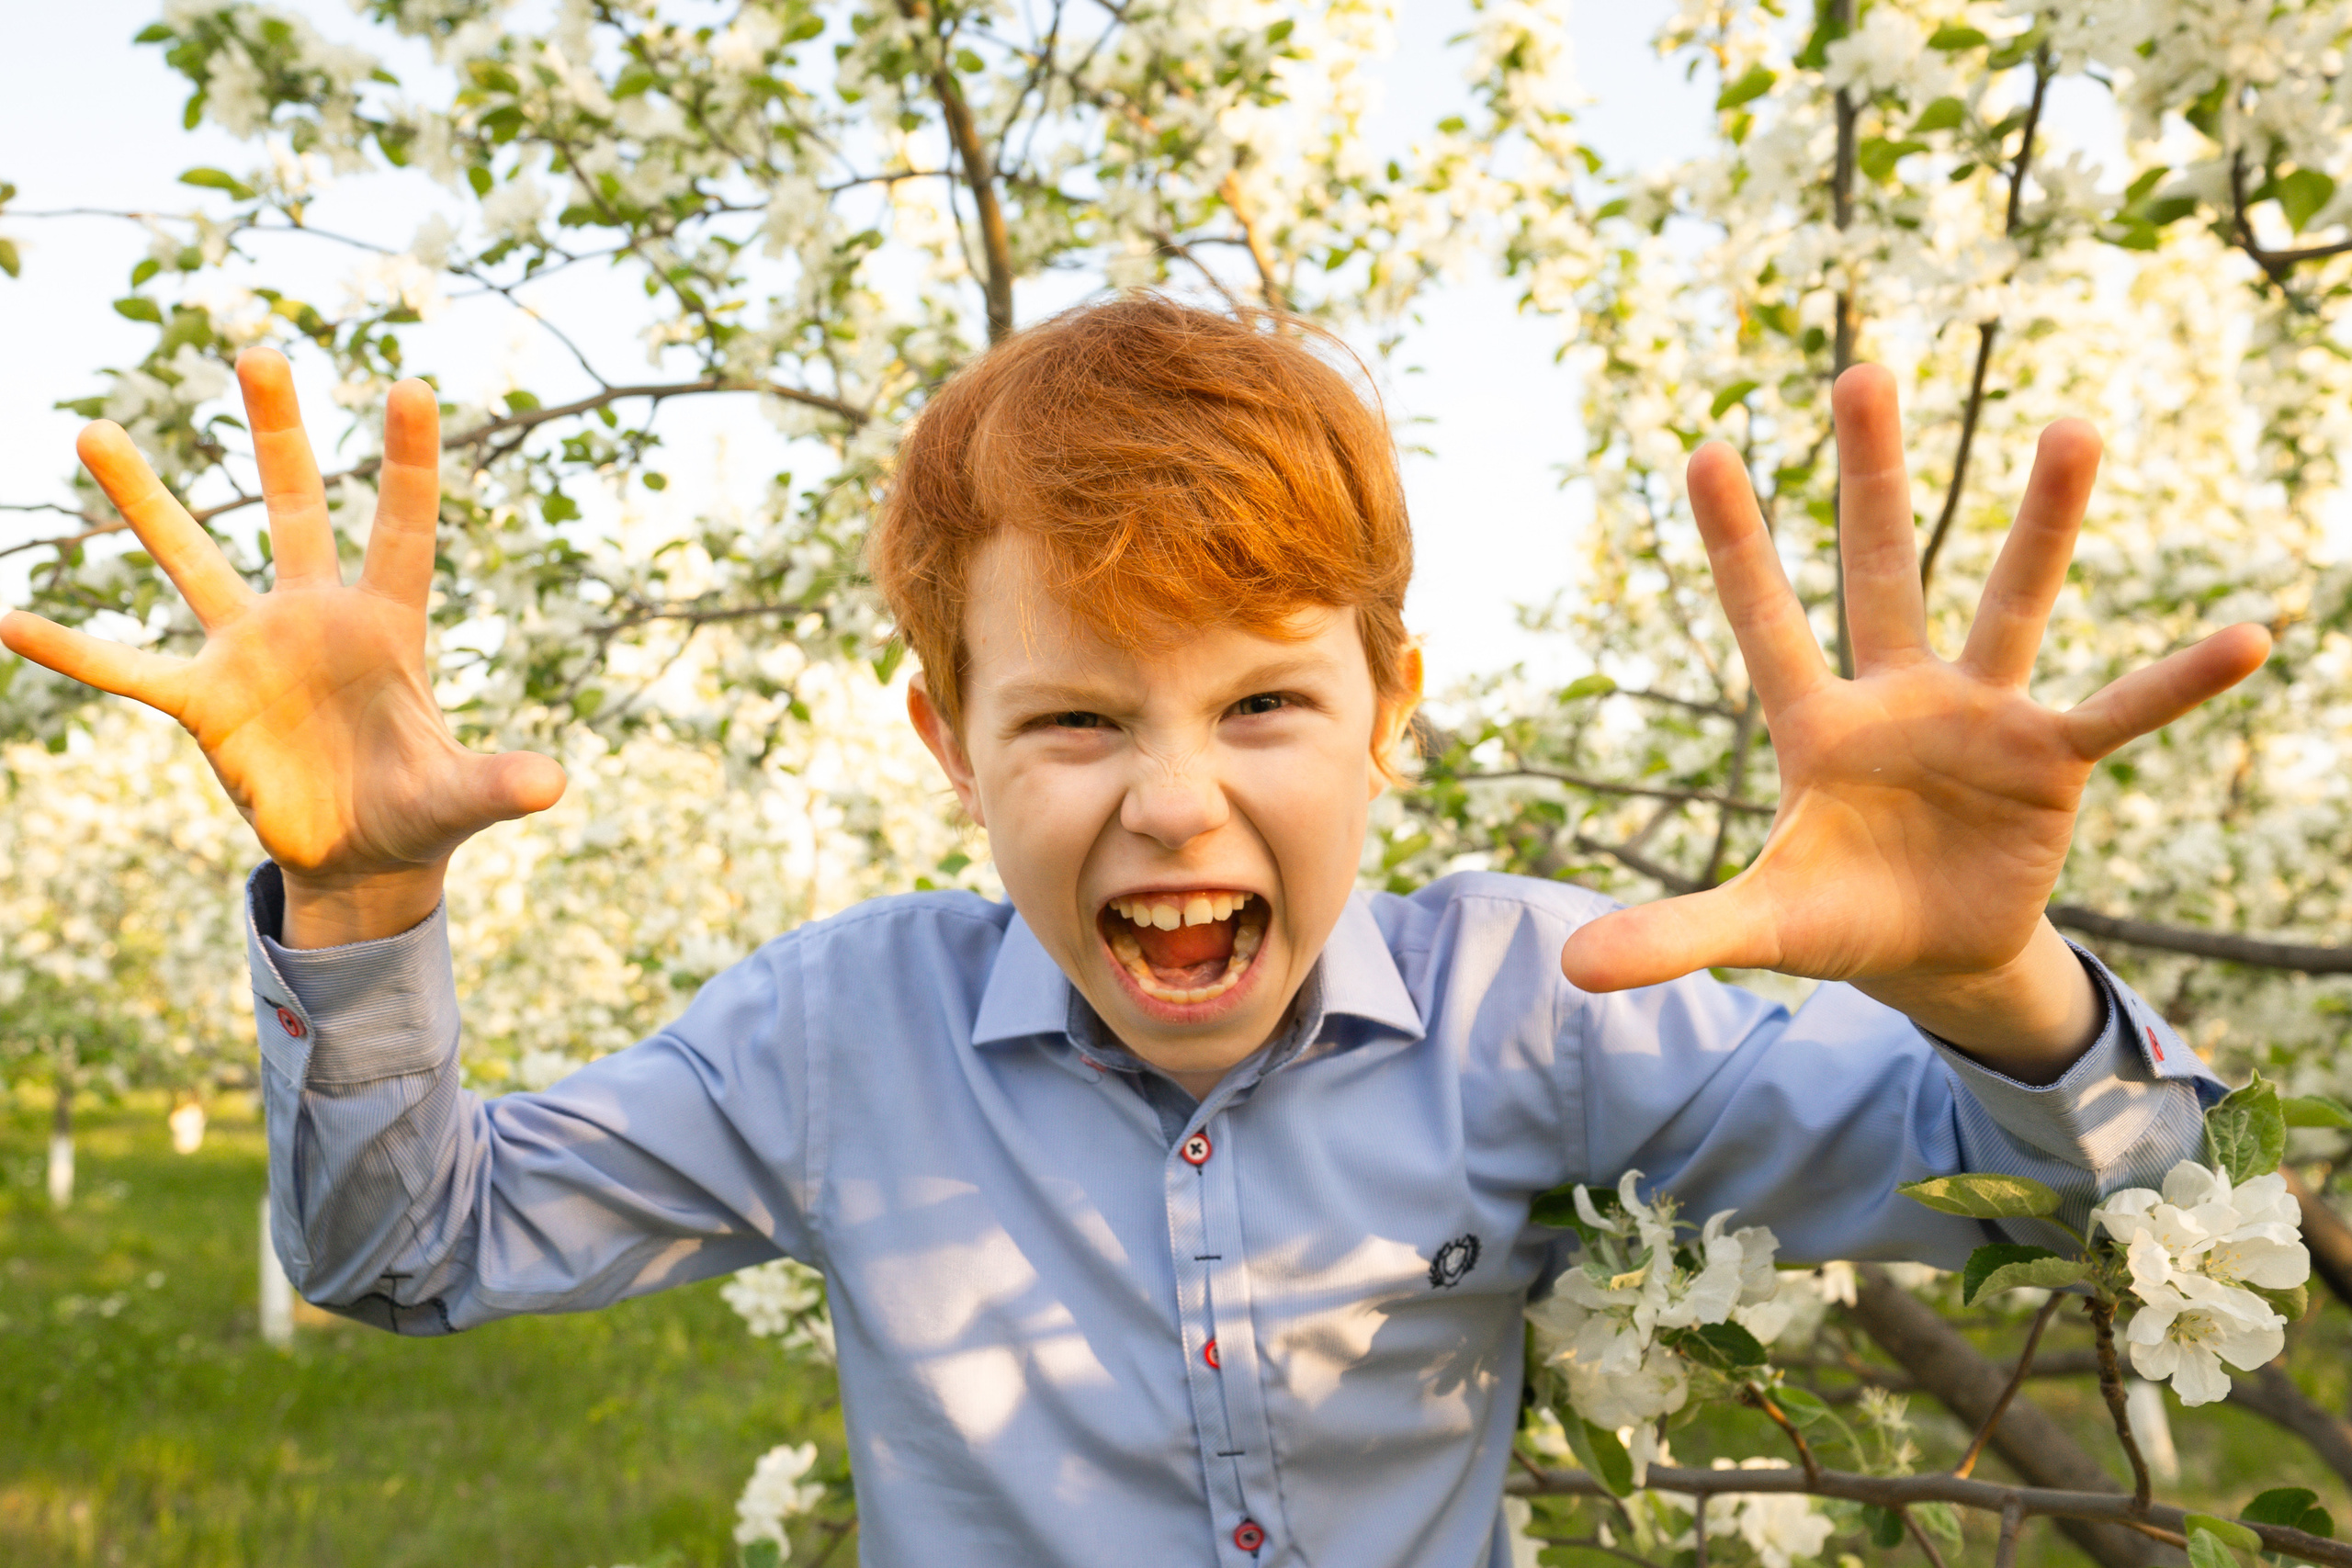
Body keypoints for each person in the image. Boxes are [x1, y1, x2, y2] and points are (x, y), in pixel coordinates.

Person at [0, 297, 2265, 1566]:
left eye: (1262, 701)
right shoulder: (838, 1034)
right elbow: (404, 1252)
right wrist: (362, 896)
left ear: (1388, 708)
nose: (1173, 800)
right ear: (948, 741)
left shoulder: (1534, 998)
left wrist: (1989, 987)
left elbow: (2120, 1201)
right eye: (1075, 715)